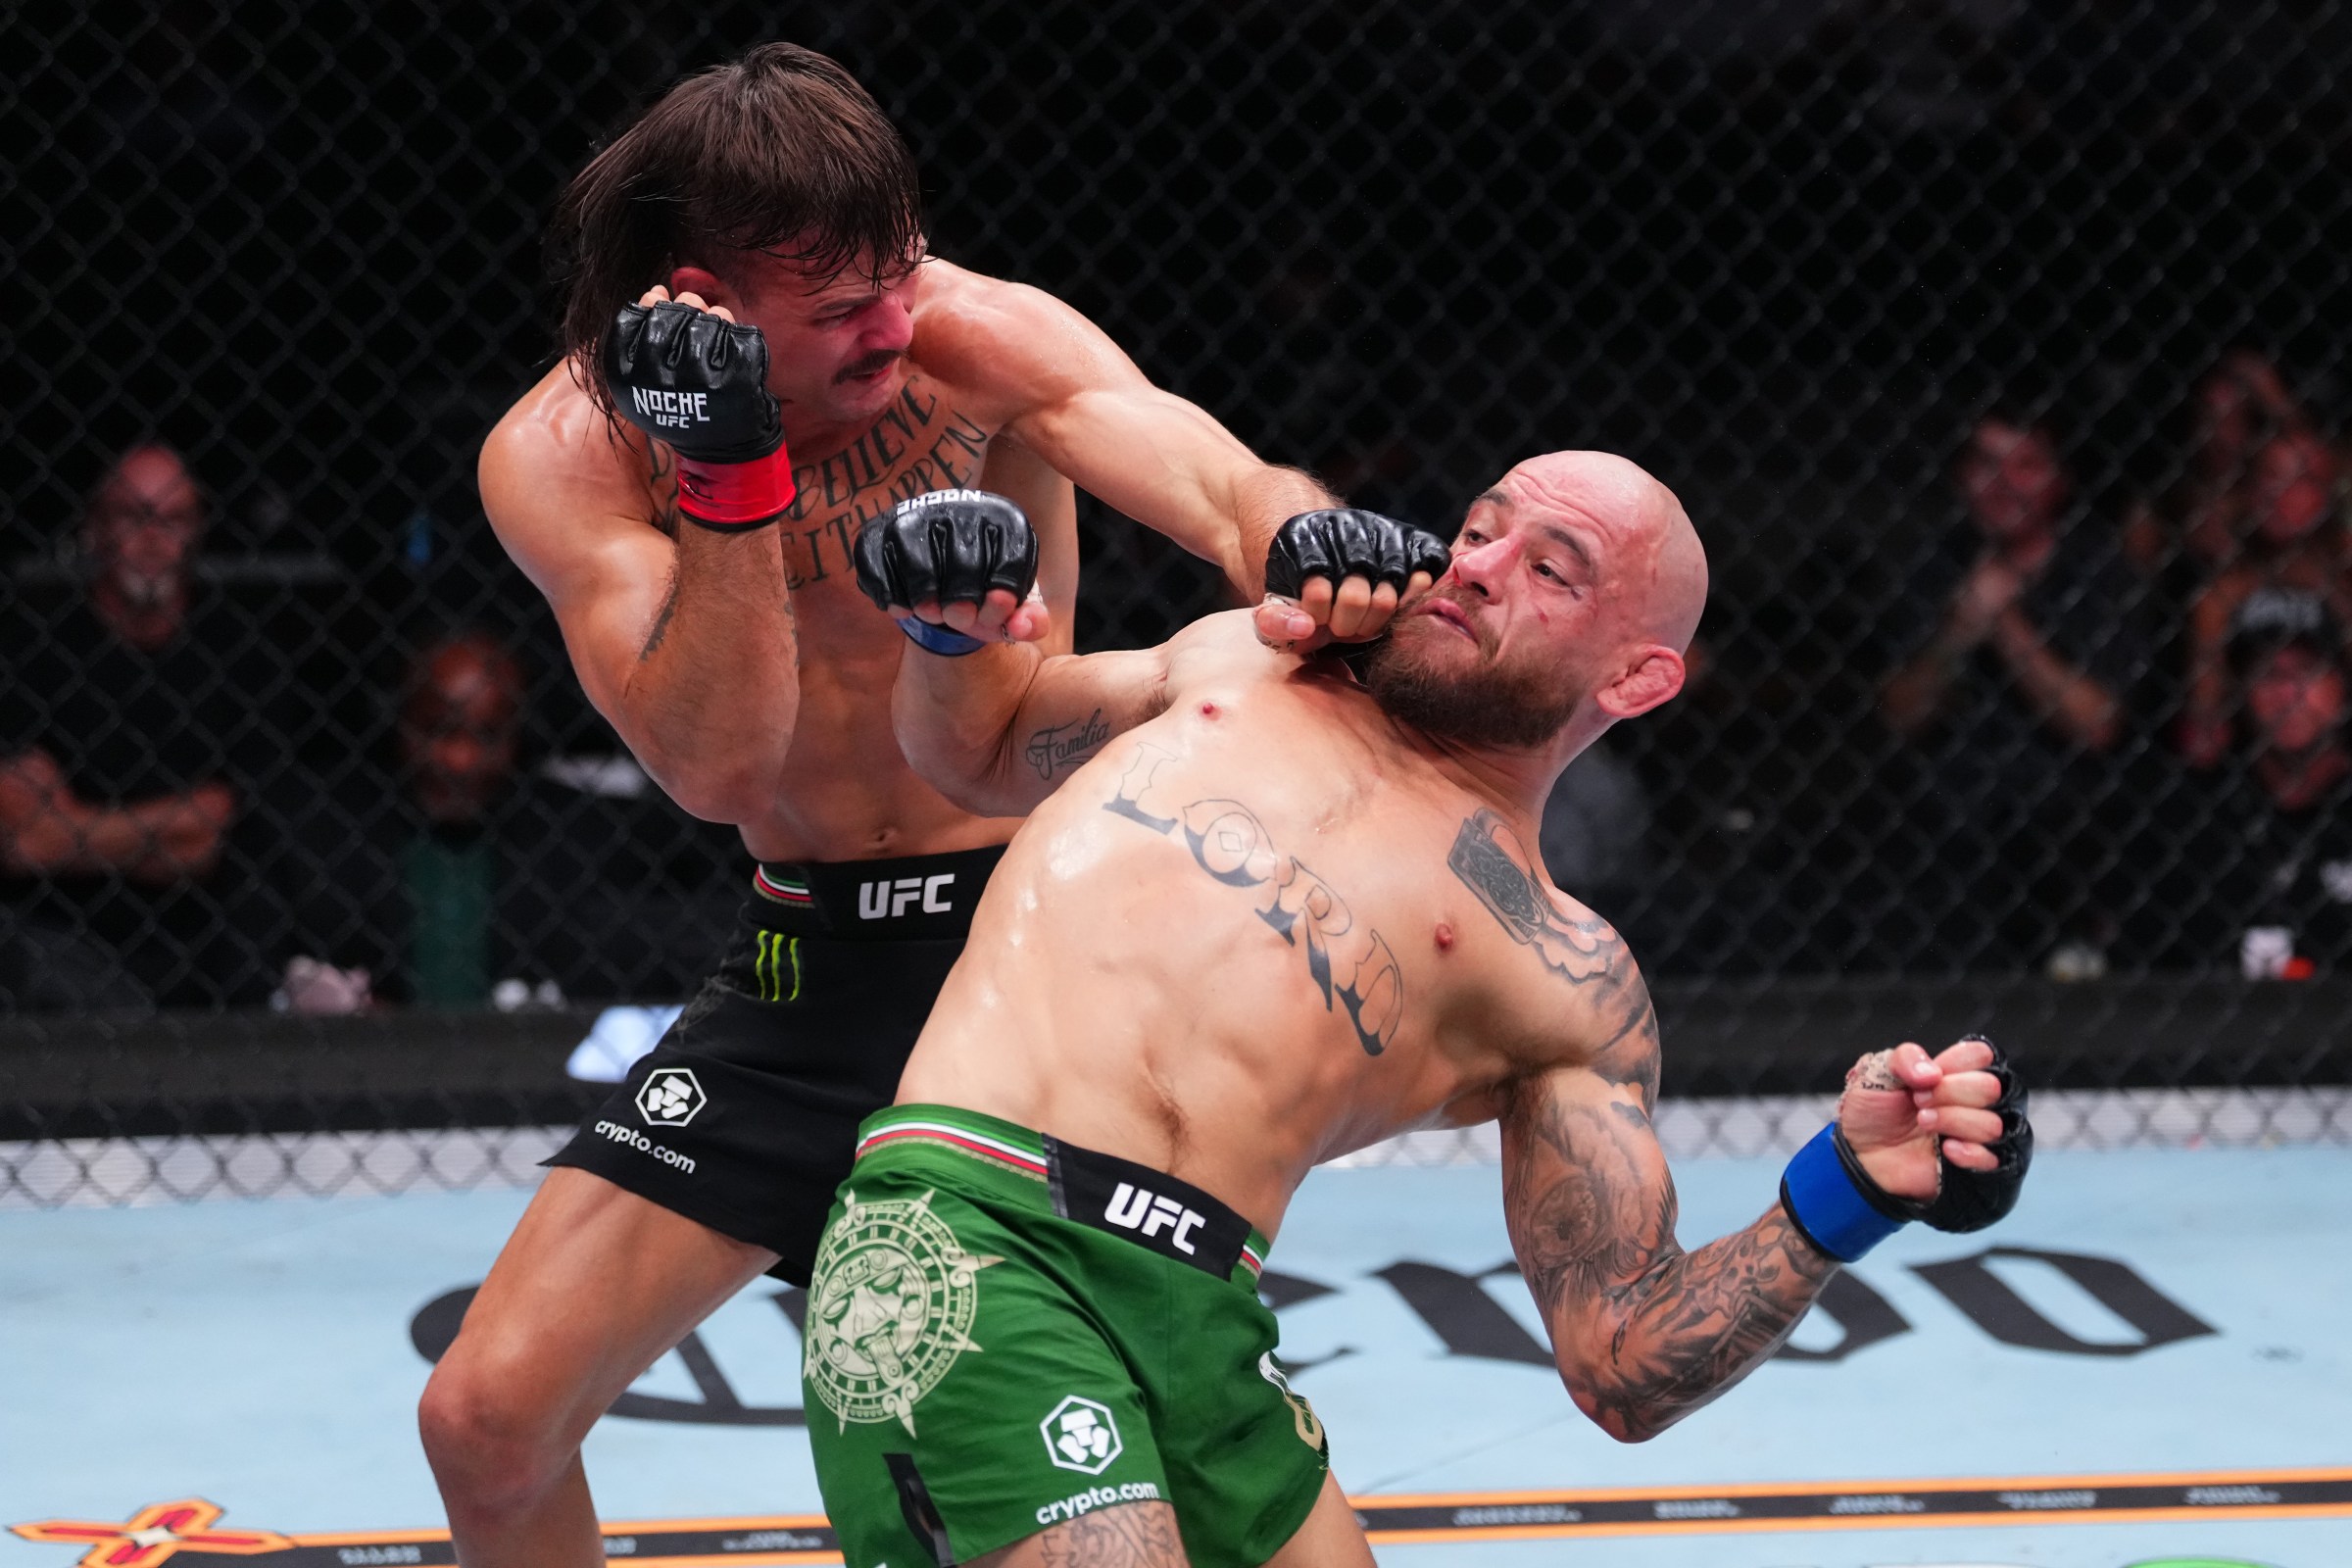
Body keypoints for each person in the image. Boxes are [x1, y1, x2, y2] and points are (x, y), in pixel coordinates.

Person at [420, 43, 1408, 1566]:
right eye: (838, 309)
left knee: (1153, 1489)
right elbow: (718, 768)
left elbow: (1221, 488)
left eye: (899, 270)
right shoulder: (566, 452)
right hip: (811, 962)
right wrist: (729, 473)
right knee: (484, 1425)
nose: (896, 320)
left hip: (1036, 963)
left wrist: (1312, 539)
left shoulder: (973, 337)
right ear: (704, 298)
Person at [803, 460, 2033, 1568]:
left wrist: (1848, 1192)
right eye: (1480, 529)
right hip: (974, 1224)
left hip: (1202, 1310)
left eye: (1549, 569)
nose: (1478, 567)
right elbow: (984, 749)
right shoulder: (1247, 660)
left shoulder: (1567, 974)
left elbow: (1621, 1362)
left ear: (1641, 674)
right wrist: (953, 641)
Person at [0, 446, 276, 1009]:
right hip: (58, 935)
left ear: (197, 531)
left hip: (205, 936)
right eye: (133, 516)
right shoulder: (33, 650)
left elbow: (213, 837)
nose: (152, 538)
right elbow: (24, 842)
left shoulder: (238, 654)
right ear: (94, 527)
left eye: (172, 519)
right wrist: (172, 824)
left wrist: (73, 825)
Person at [1879, 412, 2150, 968]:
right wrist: (1957, 633)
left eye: (2025, 464)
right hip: (1947, 829)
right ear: (1961, 477)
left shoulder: (2098, 569)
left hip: (2073, 830)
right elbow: (1900, 713)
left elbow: (2097, 723)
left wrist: (2004, 625)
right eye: (1986, 463)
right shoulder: (1932, 564)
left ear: (2059, 478)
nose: (2003, 484)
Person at [2175, 425, 2352, 769]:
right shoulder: (2216, 575)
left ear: (2326, 495)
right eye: (2268, 477)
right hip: (2245, 771)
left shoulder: (2344, 565)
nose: (2279, 493)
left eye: (2300, 480)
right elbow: (2203, 732)